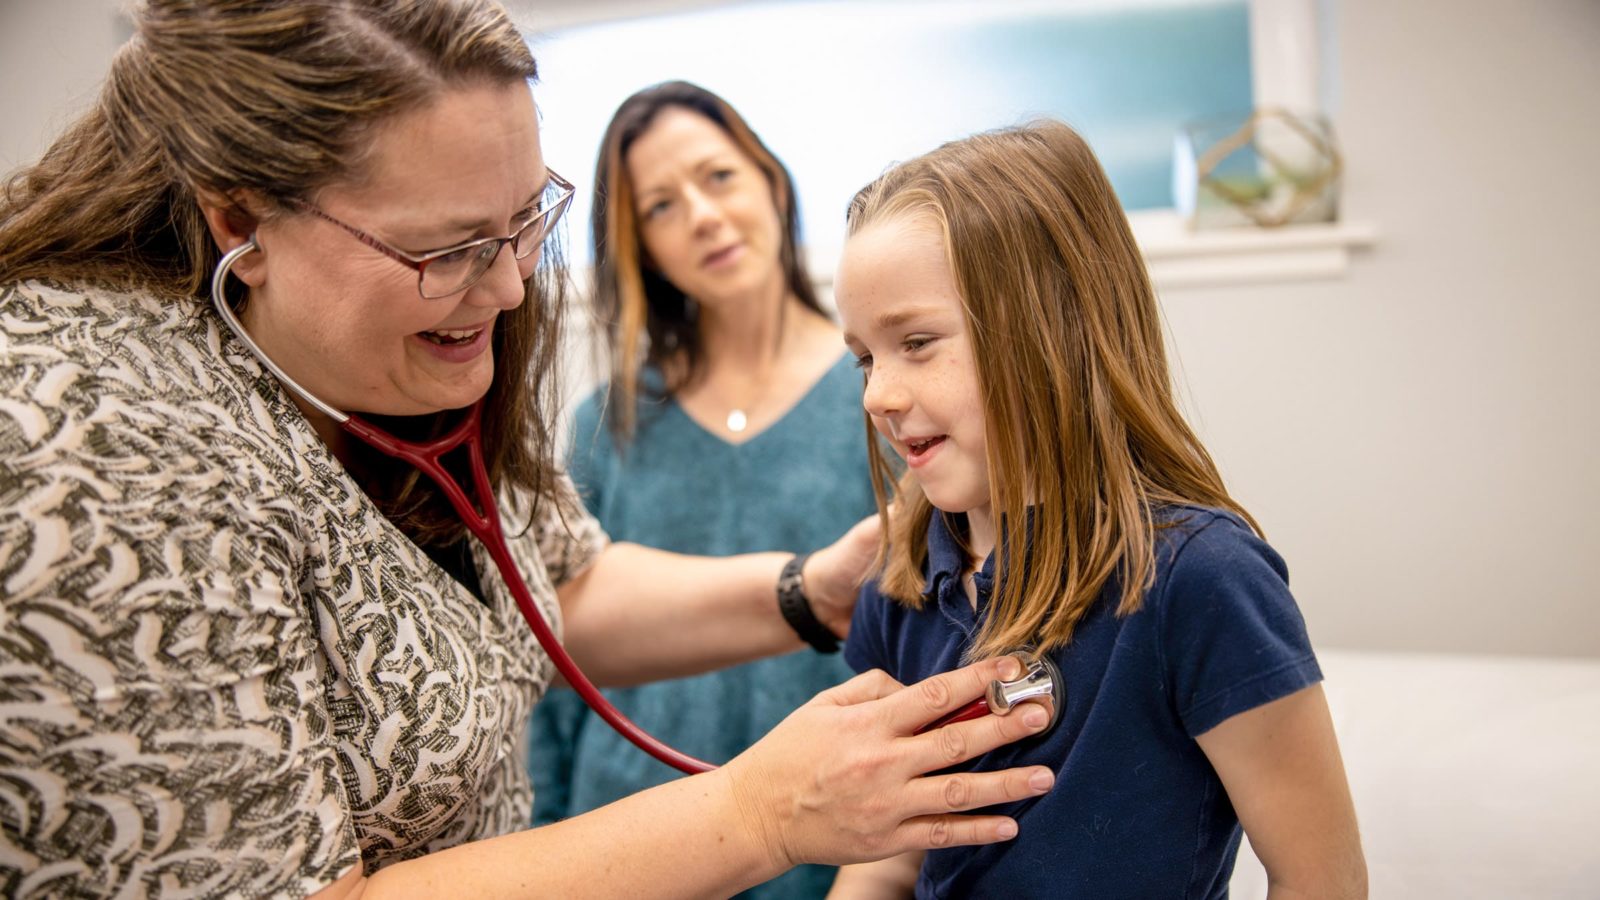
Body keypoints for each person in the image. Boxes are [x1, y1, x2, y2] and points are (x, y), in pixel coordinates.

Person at [0, 4, 1060, 897]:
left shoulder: (376, 358)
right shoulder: (83, 454)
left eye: (525, 221)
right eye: (449, 248)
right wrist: (760, 810)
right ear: (242, 222)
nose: (509, 288)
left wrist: (811, 594)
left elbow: (547, 584)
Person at [826, 120, 1368, 899]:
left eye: (916, 341)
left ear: (1052, 330)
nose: (878, 394)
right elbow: (883, 864)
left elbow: (1324, 882)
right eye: (865, 359)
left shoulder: (1199, 580)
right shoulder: (900, 583)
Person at [528, 81, 870, 898]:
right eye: (661, 207)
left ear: (770, 181)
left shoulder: (881, 402)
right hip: (629, 850)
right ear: (639, 244)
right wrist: (544, 843)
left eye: (718, 177)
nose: (703, 216)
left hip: (832, 850)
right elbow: (553, 657)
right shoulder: (607, 423)